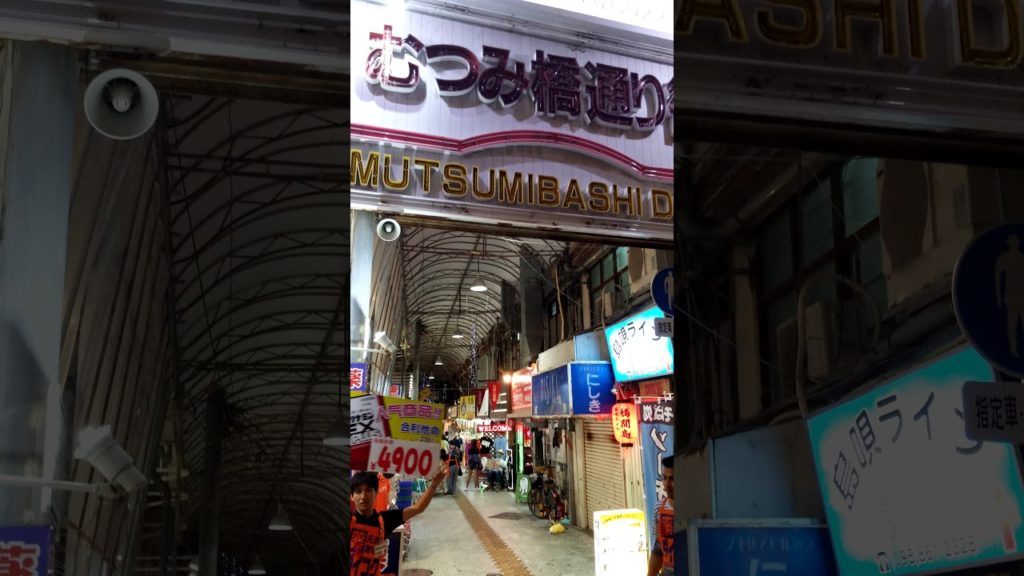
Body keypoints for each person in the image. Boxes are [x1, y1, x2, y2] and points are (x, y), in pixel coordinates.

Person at [351, 465, 448, 576]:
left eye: (368, 490)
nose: (363, 496)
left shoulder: (383, 520)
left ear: (376, 492)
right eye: (358, 491)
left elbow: (417, 508)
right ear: (352, 496)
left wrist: (434, 484)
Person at [647, 456, 674, 576]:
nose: (667, 484)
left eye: (673, 479)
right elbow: (658, 548)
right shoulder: (659, 508)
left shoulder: (696, 509)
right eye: (664, 478)